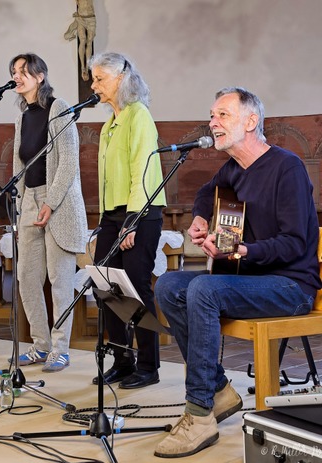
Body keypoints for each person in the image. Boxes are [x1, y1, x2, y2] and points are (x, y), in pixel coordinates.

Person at [154, 87, 321, 458]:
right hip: (250, 280)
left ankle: (198, 414)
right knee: (168, 285)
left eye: (222, 115)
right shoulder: (233, 169)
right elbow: (204, 193)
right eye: (211, 115)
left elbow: (295, 242)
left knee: (203, 289)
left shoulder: (287, 167)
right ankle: (218, 390)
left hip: (290, 285)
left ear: (251, 121)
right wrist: (199, 217)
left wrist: (244, 250)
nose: (212, 122)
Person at [88, 52, 166, 388]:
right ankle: (122, 359)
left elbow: (143, 172)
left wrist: (132, 220)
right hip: (113, 214)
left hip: (141, 212)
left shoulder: (139, 116)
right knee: (103, 286)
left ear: (120, 78)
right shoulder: (109, 124)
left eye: (100, 79)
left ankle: (148, 365)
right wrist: (109, 219)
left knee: (135, 288)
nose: (94, 86)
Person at [10, 53, 88, 372]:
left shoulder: (59, 108)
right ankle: (40, 344)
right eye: (13, 72)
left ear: (40, 75)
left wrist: (50, 202)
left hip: (60, 202)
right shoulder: (23, 116)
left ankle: (60, 348)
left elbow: (68, 161)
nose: (17, 76)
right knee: (27, 276)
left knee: (59, 279)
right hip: (29, 198)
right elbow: (19, 162)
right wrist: (19, 204)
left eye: (23, 71)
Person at [64, 0, 97, 81]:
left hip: (91, 18)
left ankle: (88, 65)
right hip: (81, 18)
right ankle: (83, 68)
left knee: (89, 42)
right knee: (82, 40)